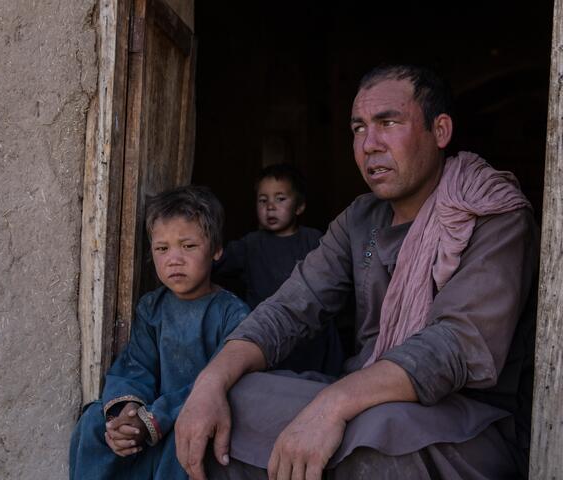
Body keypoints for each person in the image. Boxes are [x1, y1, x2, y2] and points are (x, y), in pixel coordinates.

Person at [174, 64, 538, 479]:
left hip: (468, 425)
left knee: (378, 435)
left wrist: (332, 406)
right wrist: (210, 381)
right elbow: (289, 308)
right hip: (365, 399)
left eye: (388, 122)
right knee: (230, 402)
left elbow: (455, 344)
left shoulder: (492, 213)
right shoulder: (360, 219)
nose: (370, 144)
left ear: (440, 131)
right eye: (359, 128)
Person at [69, 185, 250, 480]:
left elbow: (222, 384)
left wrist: (155, 419)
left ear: (216, 250)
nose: (173, 259)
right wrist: (128, 413)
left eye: (188, 246)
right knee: (94, 422)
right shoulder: (152, 307)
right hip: (148, 415)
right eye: (162, 248)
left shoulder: (232, 314)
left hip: (190, 412)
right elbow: (135, 365)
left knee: (186, 438)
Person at [213, 163, 344, 375]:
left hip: (310, 335)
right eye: (263, 200)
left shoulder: (314, 240)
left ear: (300, 206)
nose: (270, 206)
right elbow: (215, 265)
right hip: (265, 336)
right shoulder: (250, 244)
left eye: (280, 199)